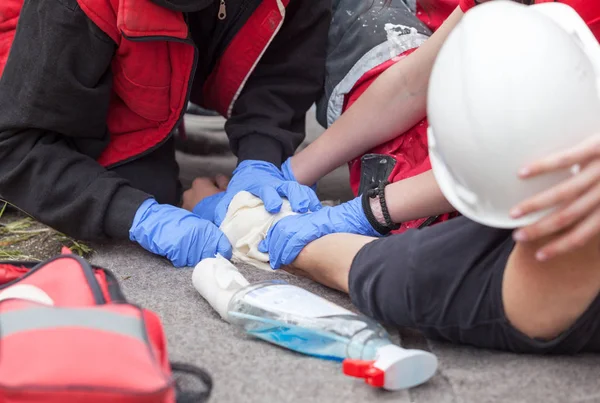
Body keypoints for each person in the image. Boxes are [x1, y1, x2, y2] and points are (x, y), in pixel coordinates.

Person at [189, 0, 600, 355]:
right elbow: (412, 84)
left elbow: (383, 268)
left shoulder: (537, 280)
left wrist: (260, 225)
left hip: (444, 170)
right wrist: (297, 169)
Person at [0, 0, 329, 267]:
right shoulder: (70, 11)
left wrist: (262, 157)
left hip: (150, 55)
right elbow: (16, 147)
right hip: (41, 54)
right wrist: (138, 214)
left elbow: (282, 70)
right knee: (144, 189)